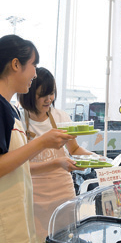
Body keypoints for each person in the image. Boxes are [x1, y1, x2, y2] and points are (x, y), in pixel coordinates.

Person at [0, 34, 75, 243]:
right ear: (16, 64)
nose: (35, 73)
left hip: (19, 215)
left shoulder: (10, 110)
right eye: (34, 64)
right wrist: (42, 142)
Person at [18, 67, 101, 243]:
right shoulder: (18, 120)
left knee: (67, 237)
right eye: (43, 95)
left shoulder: (60, 117)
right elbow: (19, 167)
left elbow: (75, 150)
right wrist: (57, 163)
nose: (49, 99)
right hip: (33, 197)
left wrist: (95, 159)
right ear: (29, 93)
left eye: (52, 93)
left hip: (63, 194)